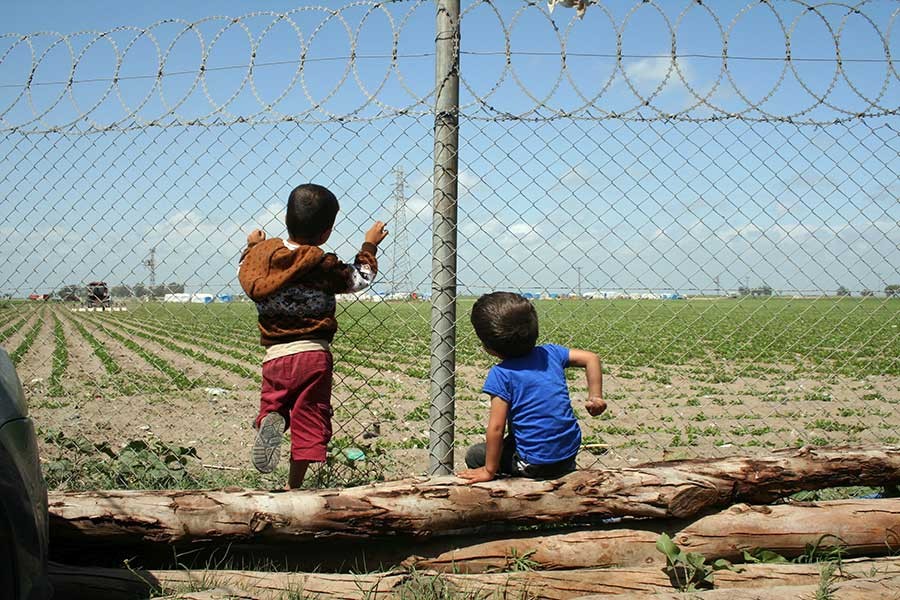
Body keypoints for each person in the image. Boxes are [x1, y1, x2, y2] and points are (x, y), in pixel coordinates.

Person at [238, 183, 388, 489]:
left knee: (274, 401)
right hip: (313, 354)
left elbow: (245, 269)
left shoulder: (264, 258)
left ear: (286, 219)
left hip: (276, 356)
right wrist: (369, 246)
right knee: (310, 416)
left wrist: (252, 247)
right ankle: (295, 485)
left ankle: (271, 417)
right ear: (325, 233)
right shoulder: (321, 264)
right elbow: (360, 278)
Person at [458, 291, 605, 483]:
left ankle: (512, 486)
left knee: (476, 455)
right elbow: (591, 358)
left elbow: (496, 427)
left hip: (534, 463)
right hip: (567, 452)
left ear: (489, 347)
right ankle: (559, 469)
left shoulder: (501, 374)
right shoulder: (551, 353)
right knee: (515, 439)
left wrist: (488, 470)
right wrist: (596, 397)